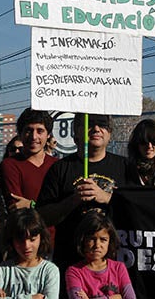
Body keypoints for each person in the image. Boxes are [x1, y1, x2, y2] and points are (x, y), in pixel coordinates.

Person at [37, 113, 131, 296]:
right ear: (75, 134)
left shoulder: (125, 167)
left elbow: (135, 210)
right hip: (70, 264)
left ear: (110, 133)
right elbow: (42, 216)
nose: (96, 129)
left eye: (102, 124)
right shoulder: (60, 169)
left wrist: (107, 197)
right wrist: (72, 200)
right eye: (89, 124)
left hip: (112, 268)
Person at [0, 208, 60, 298]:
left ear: (41, 237)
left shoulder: (49, 271)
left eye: (32, 240)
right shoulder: (5, 269)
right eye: (20, 241)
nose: (27, 246)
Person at [66, 211, 136, 299]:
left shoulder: (118, 268)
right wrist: (116, 297)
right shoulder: (74, 272)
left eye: (103, 239)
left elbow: (130, 297)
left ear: (110, 242)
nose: (97, 245)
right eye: (92, 239)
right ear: (83, 240)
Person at [0, 108, 57, 212]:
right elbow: (17, 207)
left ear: (48, 135)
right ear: (20, 134)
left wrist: (31, 204)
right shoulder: (10, 166)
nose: (34, 137)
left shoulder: (57, 165)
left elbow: (64, 207)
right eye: (28, 131)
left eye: (40, 131)